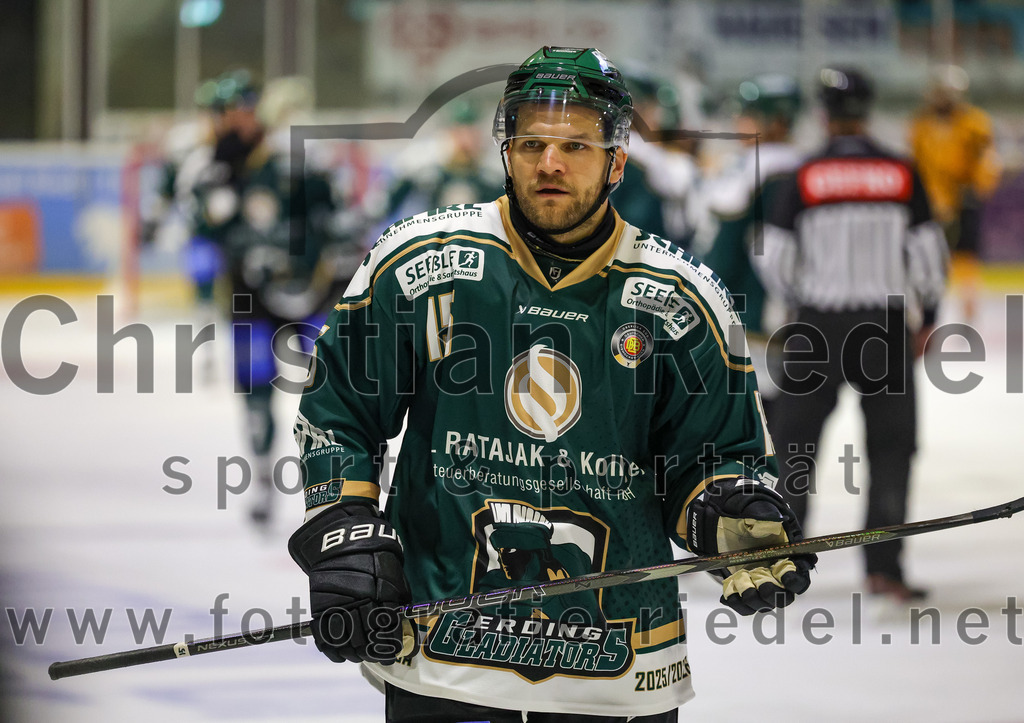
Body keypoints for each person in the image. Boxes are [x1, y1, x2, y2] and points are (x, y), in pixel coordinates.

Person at [288, 47, 815, 721]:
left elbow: (715, 459)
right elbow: (339, 412)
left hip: (620, 664)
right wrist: (344, 525)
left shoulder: (682, 299)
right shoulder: (423, 263)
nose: (550, 163)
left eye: (576, 145)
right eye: (532, 143)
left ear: (617, 162)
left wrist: (727, 513)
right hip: (442, 658)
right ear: (507, 151)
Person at [755, 67, 948, 602]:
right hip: (884, 327)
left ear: (823, 114)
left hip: (817, 325)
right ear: (867, 110)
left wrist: (797, 300)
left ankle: (781, 561)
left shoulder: (805, 175)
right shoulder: (901, 172)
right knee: (891, 448)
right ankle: (884, 568)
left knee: (793, 448)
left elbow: (773, 256)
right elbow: (930, 255)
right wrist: (928, 317)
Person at [190, 69, 358, 527]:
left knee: (333, 387)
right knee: (256, 390)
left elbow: (339, 215)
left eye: (245, 108)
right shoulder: (212, 168)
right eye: (228, 112)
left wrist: (334, 235)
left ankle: (346, 485)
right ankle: (264, 479)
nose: (238, 119)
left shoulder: (294, 157)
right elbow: (205, 228)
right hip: (250, 298)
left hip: (310, 291)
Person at [702, 73, 803, 425]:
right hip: (781, 308)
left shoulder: (763, 168)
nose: (739, 122)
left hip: (752, 305)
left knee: (750, 410)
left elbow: (727, 246)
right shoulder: (797, 166)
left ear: (776, 120)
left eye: (749, 115)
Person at [908, 64, 1001, 324]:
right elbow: (917, 163)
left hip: (962, 201)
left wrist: (975, 190)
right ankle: (925, 312)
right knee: (926, 258)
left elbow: (986, 162)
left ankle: (969, 315)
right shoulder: (921, 124)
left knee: (966, 258)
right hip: (931, 203)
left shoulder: (974, 124)